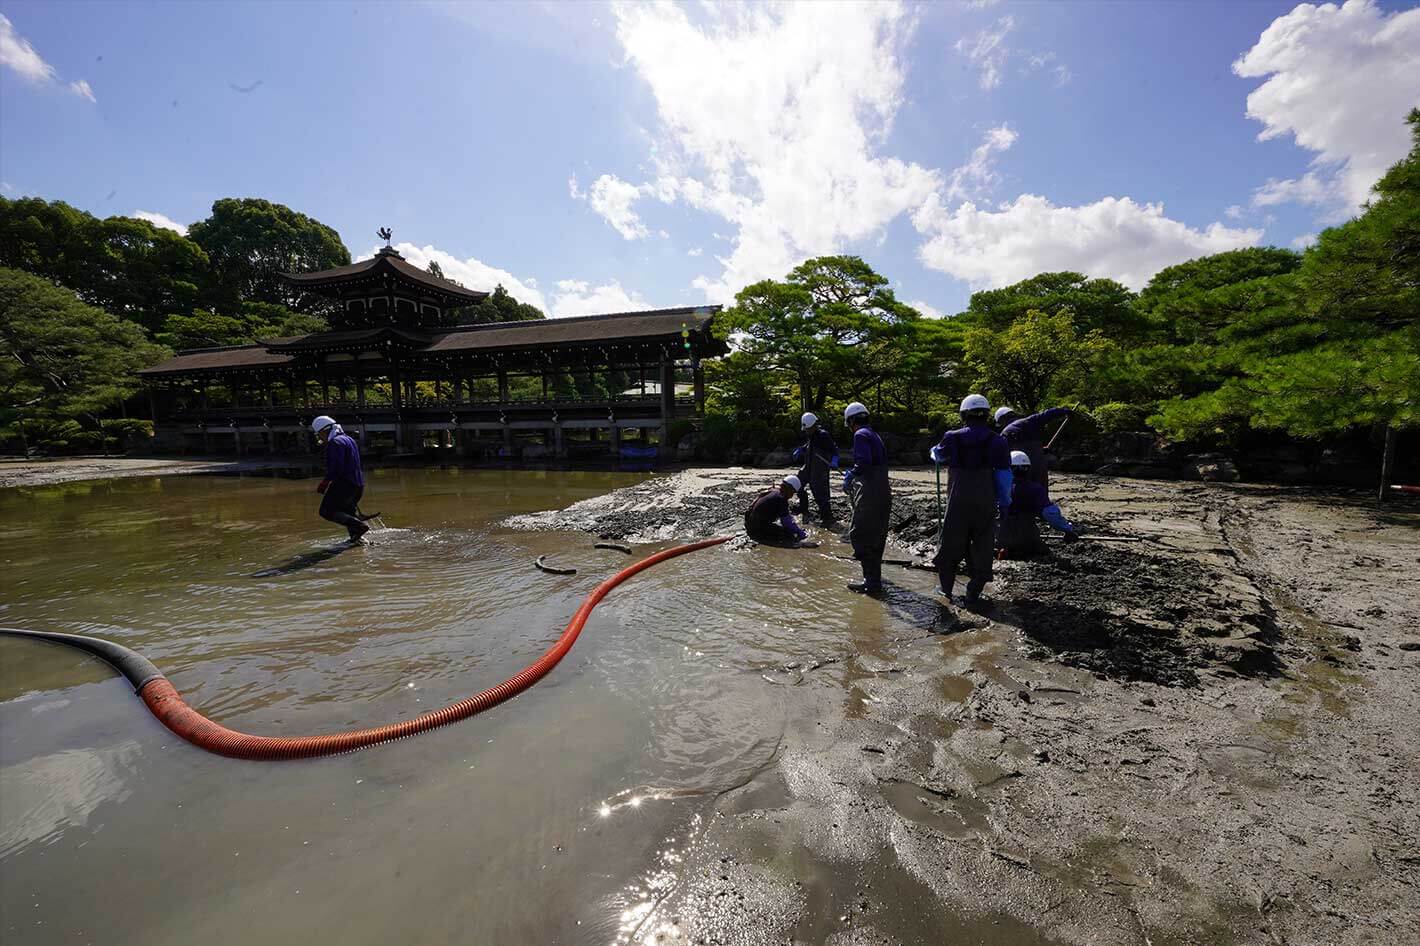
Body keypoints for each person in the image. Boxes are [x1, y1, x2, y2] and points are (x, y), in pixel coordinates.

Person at [931, 394, 1011, 605]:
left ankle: (945, 591)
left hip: (958, 499)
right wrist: (1004, 504)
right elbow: (1004, 477)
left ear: (963, 414)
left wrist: (934, 453)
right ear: (986, 415)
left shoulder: (952, 436)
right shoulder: (998, 440)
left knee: (950, 544)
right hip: (985, 500)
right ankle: (973, 592)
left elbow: (939, 456)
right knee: (983, 545)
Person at [842, 401, 891, 594]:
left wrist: (852, 474)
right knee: (877, 537)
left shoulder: (860, 434)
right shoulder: (874, 435)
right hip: (883, 492)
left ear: (851, 420)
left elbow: (864, 462)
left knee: (859, 534)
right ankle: (875, 581)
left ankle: (871, 583)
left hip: (870, 493)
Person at [998, 451, 1079, 558]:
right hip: (1028, 537)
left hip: (1002, 537)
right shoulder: (1035, 489)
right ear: (1028, 469)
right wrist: (1067, 530)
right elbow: (1051, 514)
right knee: (1045, 555)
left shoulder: (998, 488)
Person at [313, 415, 369, 544]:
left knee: (326, 511)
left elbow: (336, 466)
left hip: (344, 484)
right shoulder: (349, 439)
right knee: (347, 512)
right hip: (358, 484)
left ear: (324, 430)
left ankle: (360, 526)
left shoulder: (335, 443)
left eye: (319, 434)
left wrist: (325, 482)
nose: (320, 437)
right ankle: (357, 541)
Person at [994, 405, 1071, 487]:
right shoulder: (1030, 421)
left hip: (1021, 471)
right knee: (1041, 494)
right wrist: (1065, 411)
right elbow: (1048, 414)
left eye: (1000, 423)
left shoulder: (1004, 434)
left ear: (1003, 419)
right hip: (1039, 467)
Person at [790, 412, 840, 524]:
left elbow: (834, 449)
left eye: (807, 428)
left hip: (819, 469)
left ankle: (827, 517)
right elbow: (809, 445)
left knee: (820, 493)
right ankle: (803, 507)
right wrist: (801, 449)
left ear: (813, 425)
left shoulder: (823, 435)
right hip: (808, 466)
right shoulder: (811, 435)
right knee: (797, 483)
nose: (806, 431)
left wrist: (835, 460)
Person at [744, 475, 809, 546]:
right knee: (789, 535)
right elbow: (786, 522)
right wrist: (799, 531)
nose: (791, 496)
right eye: (793, 493)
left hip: (749, 522)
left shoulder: (774, 491)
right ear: (790, 489)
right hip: (756, 529)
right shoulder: (781, 499)